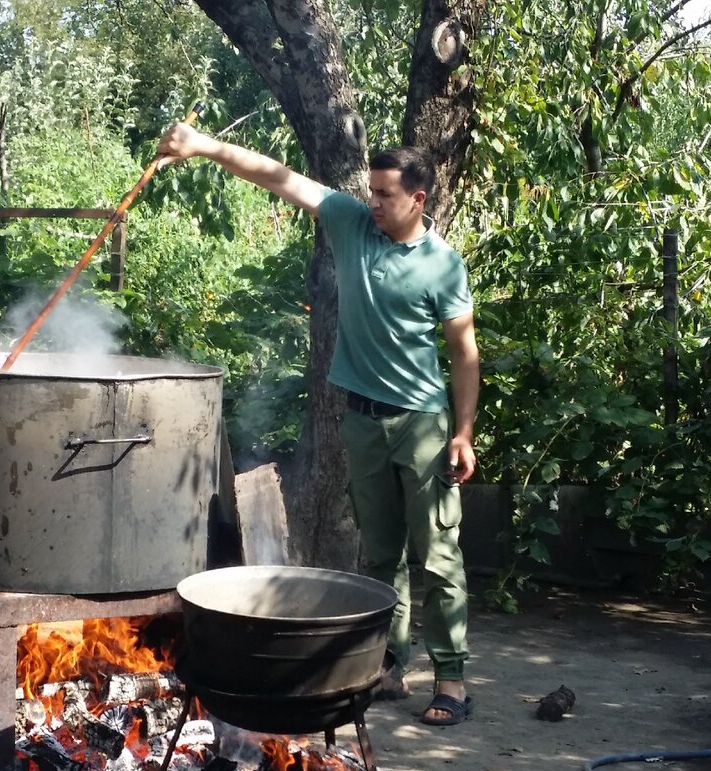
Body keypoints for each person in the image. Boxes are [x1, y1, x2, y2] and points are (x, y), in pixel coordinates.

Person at [156, 122, 480, 727]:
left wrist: (462, 432)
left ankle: (453, 679)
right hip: (362, 422)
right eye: (372, 191)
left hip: (424, 426)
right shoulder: (351, 223)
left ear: (419, 199)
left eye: (385, 194)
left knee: (435, 554)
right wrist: (201, 144)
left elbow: (464, 354)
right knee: (379, 555)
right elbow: (275, 175)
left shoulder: (443, 266)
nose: (373, 202)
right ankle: (389, 664)